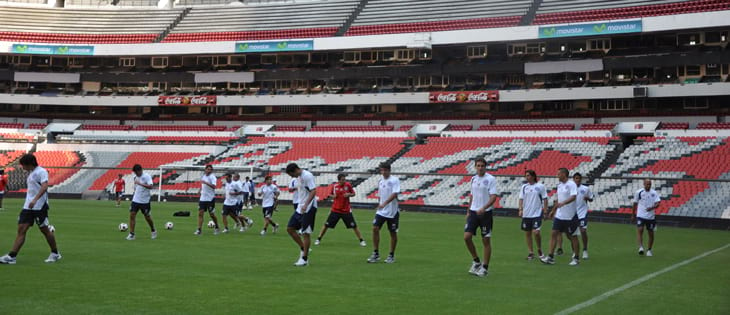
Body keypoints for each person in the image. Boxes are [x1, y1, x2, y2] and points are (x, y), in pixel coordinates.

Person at [0, 154, 60, 264]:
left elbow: (44, 186)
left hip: (39, 206)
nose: (22, 167)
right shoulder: (32, 173)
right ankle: (12, 256)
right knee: (21, 229)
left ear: (29, 164)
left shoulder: (41, 172)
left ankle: (55, 253)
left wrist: (35, 199)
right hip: (28, 206)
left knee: (45, 230)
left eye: (23, 165)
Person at [464, 158, 498, 277]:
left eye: (482, 165)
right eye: (478, 165)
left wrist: (484, 207)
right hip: (473, 212)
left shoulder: (490, 179)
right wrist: (468, 210)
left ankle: (485, 267)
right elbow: (472, 195)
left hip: (485, 213)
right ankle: (476, 261)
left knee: (486, 240)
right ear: (475, 167)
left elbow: (493, 197)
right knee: (467, 237)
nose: (480, 167)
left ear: (485, 166)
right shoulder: (473, 178)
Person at [540, 168, 580, 266]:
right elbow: (558, 200)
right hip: (560, 215)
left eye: (558, 174)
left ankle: (576, 258)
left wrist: (564, 203)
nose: (557, 175)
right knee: (554, 233)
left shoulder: (571, 184)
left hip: (570, 216)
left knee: (573, 236)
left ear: (564, 174)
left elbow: (574, 196)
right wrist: (553, 210)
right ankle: (550, 257)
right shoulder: (560, 186)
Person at [314, 174, 366, 247]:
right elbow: (330, 195)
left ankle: (361, 240)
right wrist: (333, 196)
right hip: (335, 210)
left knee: (354, 226)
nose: (344, 181)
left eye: (344, 179)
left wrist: (349, 194)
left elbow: (353, 194)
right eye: (342, 180)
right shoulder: (335, 186)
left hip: (346, 210)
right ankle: (318, 239)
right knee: (326, 225)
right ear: (339, 180)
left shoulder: (348, 185)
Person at [367, 162, 400, 264]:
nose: (384, 172)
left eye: (386, 170)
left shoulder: (394, 180)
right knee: (375, 228)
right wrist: (380, 204)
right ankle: (376, 253)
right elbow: (381, 195)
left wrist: (385, 203)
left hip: (392, 212)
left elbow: (395, 194)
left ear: (389, 170)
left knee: (392, 233)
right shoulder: (381, 181)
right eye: (382, 170)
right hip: (381, 211)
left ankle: (391, 255)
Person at [285, 163, 318, 267]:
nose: (292, 177)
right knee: (290, 228)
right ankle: (304, 248)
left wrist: (306, 205)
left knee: (305, 233)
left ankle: (304, 259)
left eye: (291, 175)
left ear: (295, 170)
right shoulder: (299, 177)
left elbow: (313, 191)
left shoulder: (307, 176)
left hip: (308, 208)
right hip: (300, 207)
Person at [518, 169, 548, 261]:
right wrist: (520, 209)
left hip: (536, 213)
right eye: (526, 175)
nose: (527, 177)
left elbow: (545, 199)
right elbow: (521, 199)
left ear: (533, 176)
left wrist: (545, 210)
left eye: (529, 175)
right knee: (528, 233)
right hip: (526, 213)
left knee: (536, 232)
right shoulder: (524, 187)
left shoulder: (540, 186)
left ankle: (539, 249)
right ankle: (531, 252)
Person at [126, 164, 157, 241]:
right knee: (132, 215)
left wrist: (140, 184)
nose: (135, 174)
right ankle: (132, 234)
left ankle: (153, 230)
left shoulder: (147, 176)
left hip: (145, 201)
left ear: (140, 170)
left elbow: (151, 186)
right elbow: (137, 188)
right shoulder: (136, 177)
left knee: (147, 217)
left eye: (136, 172)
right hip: (136, 200)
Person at [631, 179, 661, 257]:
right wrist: (633, 214)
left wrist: (652, 208)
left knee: (651, 234)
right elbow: (635, 204)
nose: (649, 186)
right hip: (640, 215)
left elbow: (658, 203)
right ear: (644, 184)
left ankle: (649, 250)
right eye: (647, 184)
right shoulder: (639, 192)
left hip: (650, 217)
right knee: (640, 230)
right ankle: (640, 247)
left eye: (650, 184)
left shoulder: (654, 193)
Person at [573, 173, 593, 259]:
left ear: (581, 180)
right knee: (573, 234)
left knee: (583, 231)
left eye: (579, 178)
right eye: (576, 178)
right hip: (572, 213)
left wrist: (587, 198)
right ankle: (575, 251)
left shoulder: (586, 189)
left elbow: (591, 198)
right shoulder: (570, 188)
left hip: (582, 213)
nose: (577, 180)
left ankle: (585, 250)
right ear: (573, 179)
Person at [195, 165, 220, 235]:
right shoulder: (203, 176)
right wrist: (199, 190)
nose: (209, 170)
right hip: (203, 198)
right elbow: (202, 185)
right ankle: (199, 230)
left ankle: (217, 227)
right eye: (208, 169)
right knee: (200, 213)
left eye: (211, 169)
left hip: (210, 198)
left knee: (211, 214)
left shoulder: (212, 177)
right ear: (205, 169)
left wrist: (206, 183)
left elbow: (214, 186)